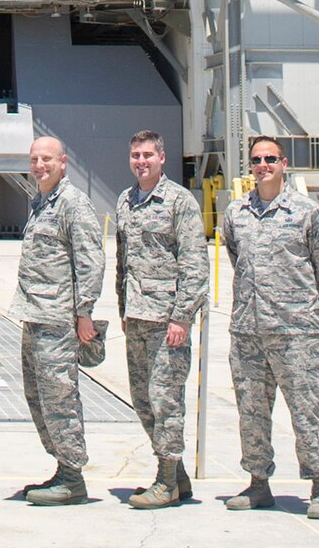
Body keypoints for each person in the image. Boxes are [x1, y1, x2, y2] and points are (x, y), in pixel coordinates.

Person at [220, 133, 319, 519]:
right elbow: (236, 255)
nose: (263, 166)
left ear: (284, 163)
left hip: (296, 332)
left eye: (270, 159)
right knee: (252, 410)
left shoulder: (307, 212)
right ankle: (258, 483)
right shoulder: (236, 213)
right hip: (248, 330)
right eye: (257, 160)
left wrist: (296, 303)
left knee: (308, 409)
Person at [116, 128, 208, 510]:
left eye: (148, 155)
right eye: (136, 155)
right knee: (143, 402)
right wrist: (122, 307)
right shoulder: (125, 200)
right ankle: (178, 474)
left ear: (162, 158)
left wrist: (182, 317)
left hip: (167, 321)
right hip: (135, 317)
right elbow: (122, 261)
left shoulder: (179, 202)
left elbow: (195, 264)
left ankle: (166, 482)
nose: (141, 161)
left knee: (166, 400)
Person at [10, 134, 105, 505]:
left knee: (60, 398)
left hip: (59, 321)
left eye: (47, 159)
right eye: (34, 159)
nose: (39, 165)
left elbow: (90, 261)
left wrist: (84, 314)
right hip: (34, 317)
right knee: (39, 399)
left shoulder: (73, 204)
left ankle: (73, 478)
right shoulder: (39, 202)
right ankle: (61, 467)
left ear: (63, 162)